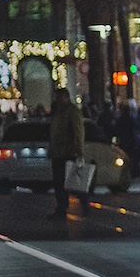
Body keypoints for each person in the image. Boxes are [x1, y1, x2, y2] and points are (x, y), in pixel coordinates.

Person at [48, 86, 85, 221]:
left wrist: (79, 152)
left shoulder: (72, 112)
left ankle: (79, 203)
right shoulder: (58, 112)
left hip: (67, 153)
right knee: (59, 182)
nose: (57, 100)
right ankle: (61, 207)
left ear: (66, 97)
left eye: (59, 97)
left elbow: (78, 132)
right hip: (58, 153)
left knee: (70, 182)